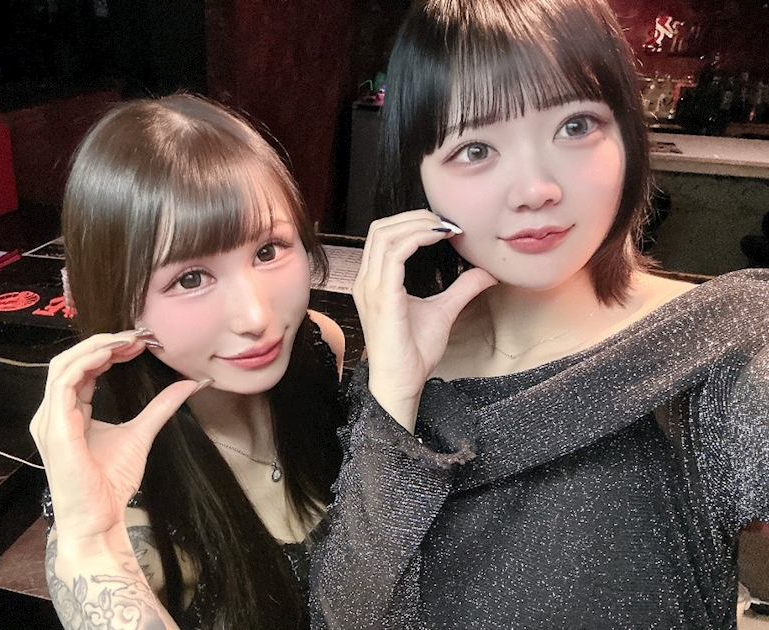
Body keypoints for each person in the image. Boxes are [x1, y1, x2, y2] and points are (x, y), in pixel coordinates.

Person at [309, 0, 769, 628]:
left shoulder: (723, 343)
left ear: (627, 134)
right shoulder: (398, 367)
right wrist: (393, 392)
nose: (536, 190)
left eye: (576, 126)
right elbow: (345, 615)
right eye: (475, 149)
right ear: (419, 181)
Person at [30, 94, 346, 630]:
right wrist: (90, 542)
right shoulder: (127, 502)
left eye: (268, 251)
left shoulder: (320, 346)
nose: (256, 317)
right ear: (113, 300)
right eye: (190, 278)